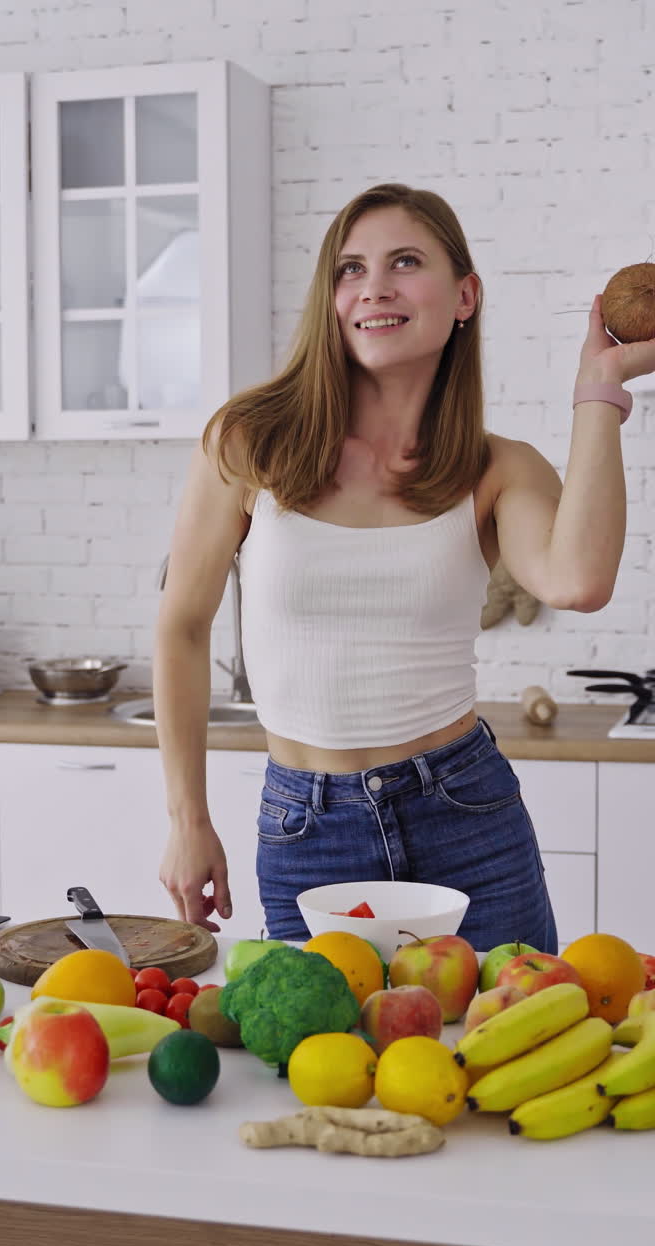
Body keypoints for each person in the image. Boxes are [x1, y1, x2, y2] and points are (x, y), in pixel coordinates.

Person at [154, 182, 654, 948]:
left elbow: (578, 580)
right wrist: (188, 819)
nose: (373, 287)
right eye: (349, 269)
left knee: (503, 1055)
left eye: (405, 261)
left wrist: (599, 390)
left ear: (464, 295)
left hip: (465, 817)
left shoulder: (496, 469)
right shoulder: (248, 442)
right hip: (306, 828)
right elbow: (183, 625)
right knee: (320, 1067)